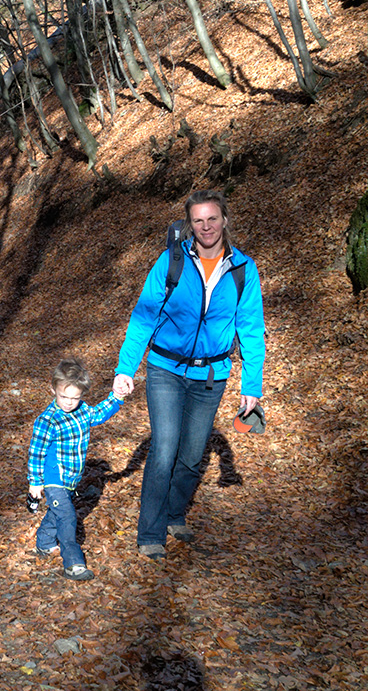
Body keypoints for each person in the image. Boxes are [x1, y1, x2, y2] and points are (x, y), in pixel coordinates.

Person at [112, 190, 266, 560]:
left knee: (193, 454)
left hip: (211, 376)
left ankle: (174, 513)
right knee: (164, 448)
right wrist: (125, 368)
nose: (206, 226)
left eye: (212, 218)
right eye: (198, 220)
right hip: (165, 369)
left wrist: (252, 385)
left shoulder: (243, 269)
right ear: (189, 225)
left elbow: (250, 327)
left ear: (225, 220)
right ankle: (150, 533)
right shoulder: (171, 263)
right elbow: (143, 317)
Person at [27, 358, 125, 581]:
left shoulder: (82, 411)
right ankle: (73, 563)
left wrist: (117, 397)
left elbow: (100, 413)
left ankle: (44, 543)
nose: (69, 402)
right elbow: (36, 451)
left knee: (57, 513)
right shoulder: (47, 420)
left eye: (75, 397)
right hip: (54, 477)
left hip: (72, 478)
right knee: (68, 517)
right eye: (64, 397)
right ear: (53, 389)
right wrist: (35, 481)